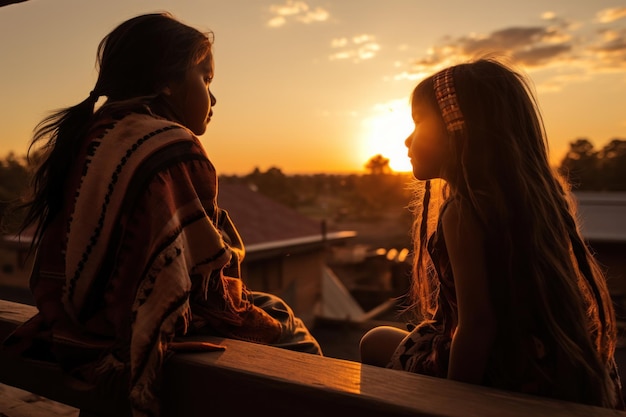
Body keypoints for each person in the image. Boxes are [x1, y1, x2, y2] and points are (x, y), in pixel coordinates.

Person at [1, 12, 321, 417]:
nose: (214, 95)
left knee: (271, 305)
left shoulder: (93, 134)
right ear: (165, 82)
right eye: (206, 78)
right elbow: (203, 290)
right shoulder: (171, 146)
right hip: (127, 334)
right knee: (294, 335)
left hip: (73, 321)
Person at [359, 57, 624, 409]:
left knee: (374, 340)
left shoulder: (464, 212)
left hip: (498, 371)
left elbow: (477, 325)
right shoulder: (535, 203)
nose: (407, 140)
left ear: (458, 129)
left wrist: (454, 403)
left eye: (419, 123)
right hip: (547, 361)